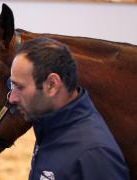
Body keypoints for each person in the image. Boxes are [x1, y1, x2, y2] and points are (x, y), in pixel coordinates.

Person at [8, 37, 129, 180]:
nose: (12, 98)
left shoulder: (94, 156)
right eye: (12, 85)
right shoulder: (50, 127)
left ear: (52, 85)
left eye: (19, 87)